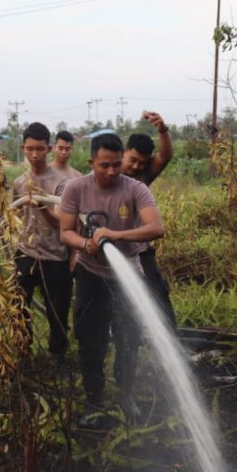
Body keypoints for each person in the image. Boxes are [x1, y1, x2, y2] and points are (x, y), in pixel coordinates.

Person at [59, 133, 164, 416]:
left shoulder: (135, 188)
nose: (112, 172)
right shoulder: (75, 188)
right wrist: (86, 244)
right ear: (91, 161)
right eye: (104, 165)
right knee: (90, 341)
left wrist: (115, 235)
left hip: (128, 272)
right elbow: (66, 231)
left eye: (117, 165)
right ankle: (95, 400)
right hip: (90, 274)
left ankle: (126, 394)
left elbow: (156, 228)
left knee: (128, 339)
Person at [12, 122, 72, 361]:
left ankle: (58, 359)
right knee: (18, 308)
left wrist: (42, 208)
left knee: (57, 312)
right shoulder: (19, 182)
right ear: (23, 148)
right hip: (26, 253)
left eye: (39, 149)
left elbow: (61, 222)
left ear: (48, 149)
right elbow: (14, 214)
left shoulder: (62, 183)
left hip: (55, 256)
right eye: (29, 149)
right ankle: (23, 355)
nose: (34, 155)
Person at [122, 111, 177, 328]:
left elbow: (165, 156)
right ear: (124, 152)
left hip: (140, 250)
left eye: (141, 163)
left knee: (158, 295)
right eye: (132, 160)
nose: (136, 166)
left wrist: (162, 129)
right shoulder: (107, 173)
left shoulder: (142, 177)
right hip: (110, 251)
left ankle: (172, 343)